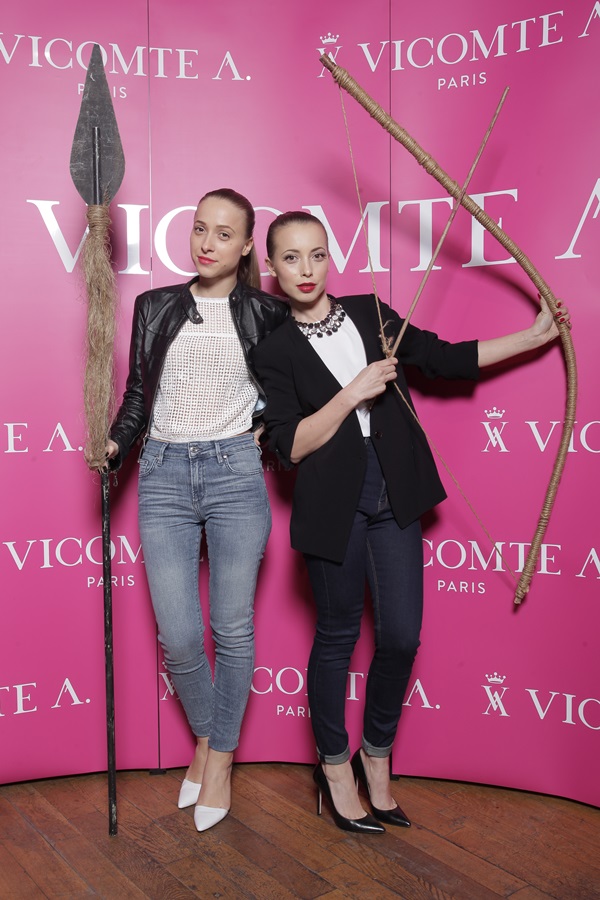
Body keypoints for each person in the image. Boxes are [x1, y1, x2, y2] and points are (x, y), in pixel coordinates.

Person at [252, 210, 571, 835]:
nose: (306, 269)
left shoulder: (370, 312)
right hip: (331, 504)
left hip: (393, 491)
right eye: (291, 258)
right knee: (338, 637)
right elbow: (289, 445)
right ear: (272, 267)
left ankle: (376, 757)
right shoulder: (274, 349)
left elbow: (443, 358)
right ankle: (334, 768)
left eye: (317, 254)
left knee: (400, 637)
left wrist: (533, 338)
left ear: (330, 257)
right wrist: (353, 392)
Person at [92, 188, 288, 832]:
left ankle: (219, 760)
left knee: (231, 627)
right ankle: (210, 738)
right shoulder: (155, 306)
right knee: (178, 636)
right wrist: (117, 443)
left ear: (246, 245)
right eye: (201, 228)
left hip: (234, 473)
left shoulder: (267, 312)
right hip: (164, 473)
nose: (207, 243)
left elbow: (288, 392)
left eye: (224, 234)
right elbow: (138, 394)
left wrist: (265, 430)